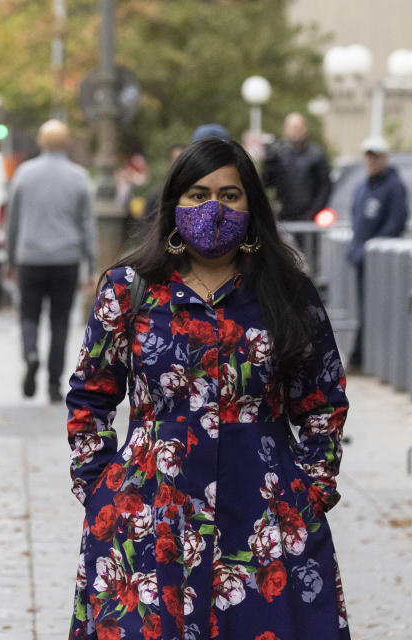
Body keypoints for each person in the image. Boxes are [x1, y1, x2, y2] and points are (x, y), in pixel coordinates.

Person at [67, 137, 350, 640]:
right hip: (147, 515)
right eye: (197, 194)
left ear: (251, 205)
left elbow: (322, 401)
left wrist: (312, 489)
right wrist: (99, 488)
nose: (213, 207)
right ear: (174, 204)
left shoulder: (287, 292)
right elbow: (91, 396)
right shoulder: (128, 288)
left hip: (266, 518)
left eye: (229, 194)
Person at [4, 119, 96, 403]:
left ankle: (31, 354)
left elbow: (12, 221)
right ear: (67, 144)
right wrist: (91, 266)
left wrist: (9, 259)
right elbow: (87, 226)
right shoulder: (79, 176)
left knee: (28, 316)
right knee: (59, 323)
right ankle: (54, 385)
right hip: (65, 259)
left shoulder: (24, 174)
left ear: (41, 142)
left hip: (30, 257)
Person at [346, 135, 409, 372]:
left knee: (377, 311)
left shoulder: (394, 186)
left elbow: (395, 223)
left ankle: (365, 359)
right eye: (368, 155)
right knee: (363, 310)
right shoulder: (364, 186)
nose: (371, 161)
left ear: (385, 157)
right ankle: (362, 357)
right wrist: (356, 249)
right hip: (362, 260)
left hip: (380, 263)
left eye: (376, 156)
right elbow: (357, 220)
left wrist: (370, 249)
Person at [262, 112, 332, 222]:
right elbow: (267, 183)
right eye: (293, 127)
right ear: (285, 130)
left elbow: (325, 186)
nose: (297, 130)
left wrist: (314, 212)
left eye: (299, 127)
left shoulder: (317, 154)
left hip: (309, 217)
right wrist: (268, 163)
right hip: (285, 216)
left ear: (305, 129)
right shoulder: (278, 154)